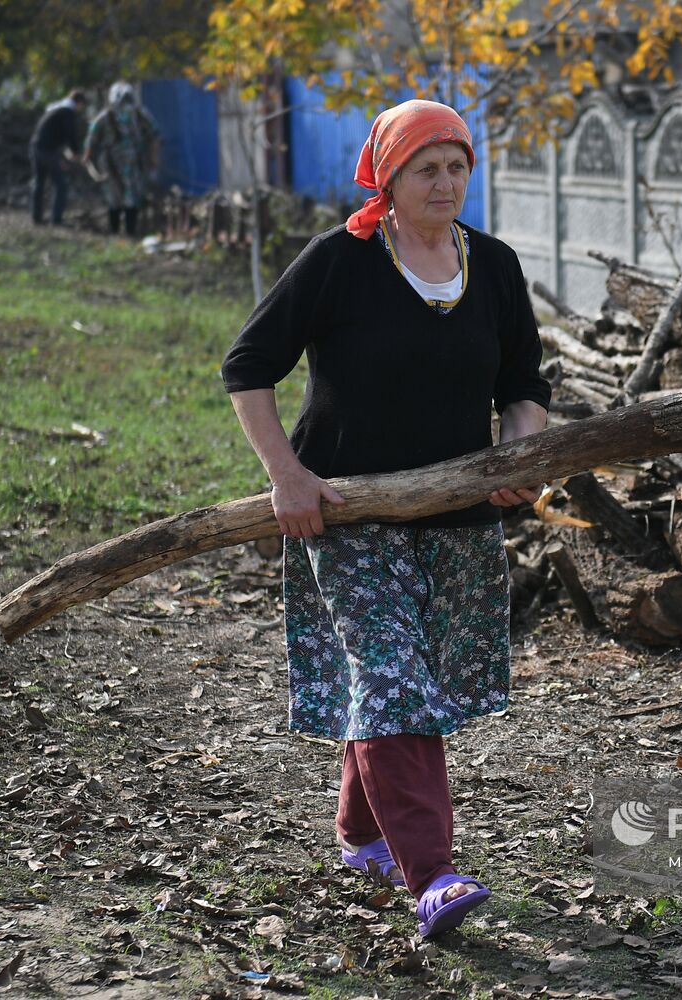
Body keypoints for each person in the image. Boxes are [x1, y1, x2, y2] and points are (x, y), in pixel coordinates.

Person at [220, 99, 550, 939]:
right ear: (389, 178)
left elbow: (522, 384)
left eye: (457, 166)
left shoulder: (498, 267)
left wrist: (520, 456)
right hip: (346, 511)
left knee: (409, 682)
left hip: (456, 513)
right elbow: (248, 367)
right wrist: (286, 476)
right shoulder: (342, 260)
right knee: (395, 678)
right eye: (425, 169)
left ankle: (361, 833)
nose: (446, 183)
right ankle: (432, 876)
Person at [83, 81, 159, 236]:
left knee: (118, 197)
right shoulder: (137, 113)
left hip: (121, 164)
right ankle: (125, 232)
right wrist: (153, 158)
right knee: (127, 196)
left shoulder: (110, 115)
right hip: (122, 163)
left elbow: (92, 138)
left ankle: (118, 232)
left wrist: (88, 156)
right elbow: (155, 135)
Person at [29, 89, 88, 226]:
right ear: (79, 102)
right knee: (60, 184)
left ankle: (36, 218)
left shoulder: (55, 109)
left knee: (39, 183)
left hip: (36, 147)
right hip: (47, 151)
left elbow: (56, 134)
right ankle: (56, 219)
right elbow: (70, 135)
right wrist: (76, 152)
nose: (82, 109)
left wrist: (67, 154)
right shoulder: (68, 112)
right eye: (83, 105)